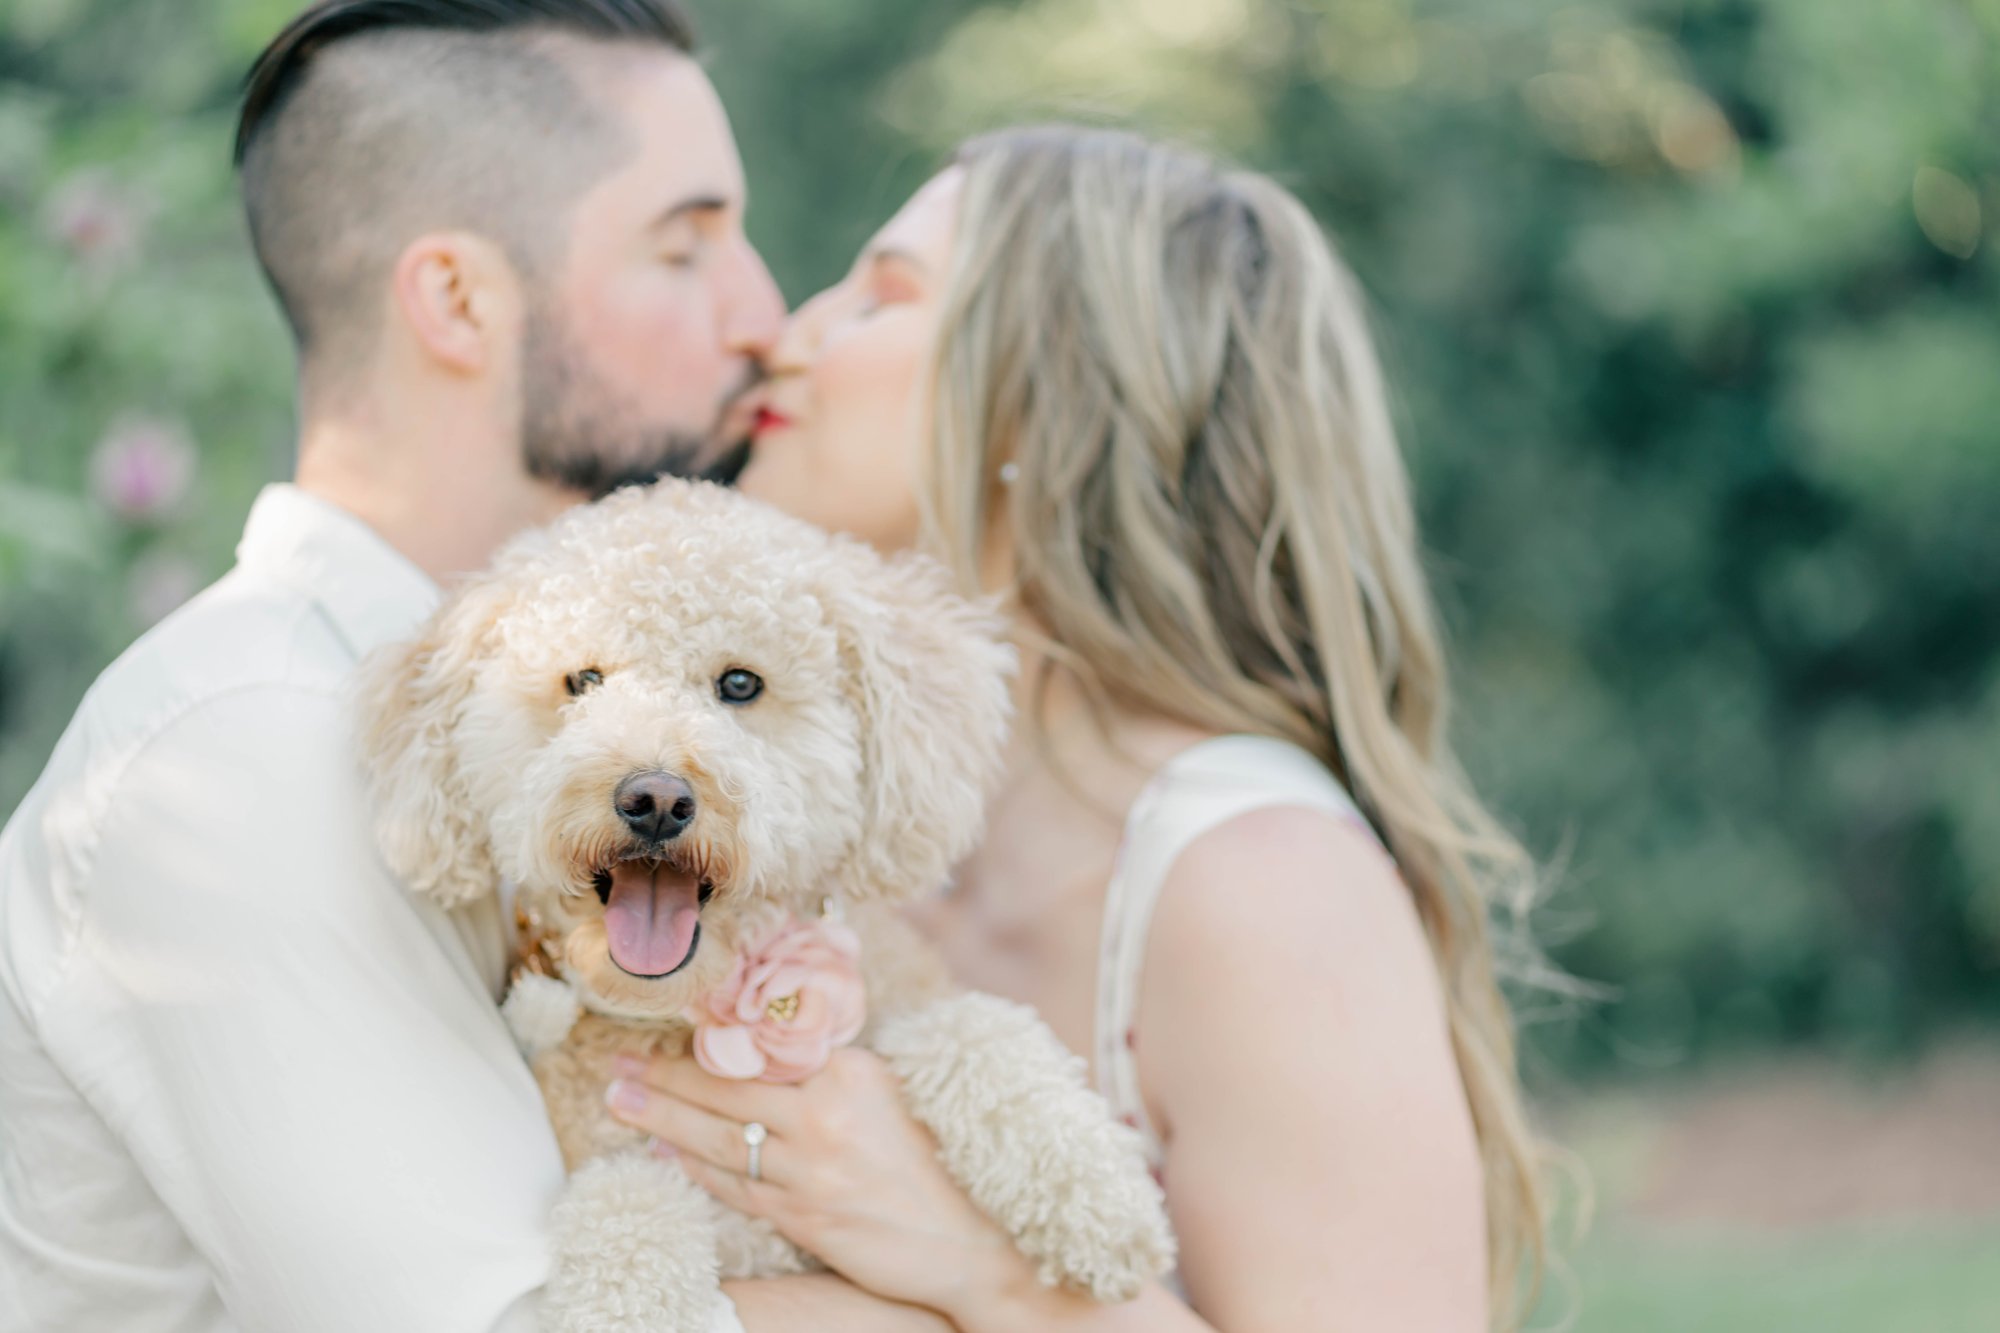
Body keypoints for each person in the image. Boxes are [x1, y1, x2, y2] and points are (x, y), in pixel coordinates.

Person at [0, 3, 936, 1329]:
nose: (764, 315)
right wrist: (1010, 1296)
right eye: (686, 246)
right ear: (456, 299)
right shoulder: (249, 748)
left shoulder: (523, 740)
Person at [605, 126, 1553, 1330]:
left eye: (878, 297)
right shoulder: (803, 835)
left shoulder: (1259, 881)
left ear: (1040, 407)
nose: (785, 336)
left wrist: (982, 1269)